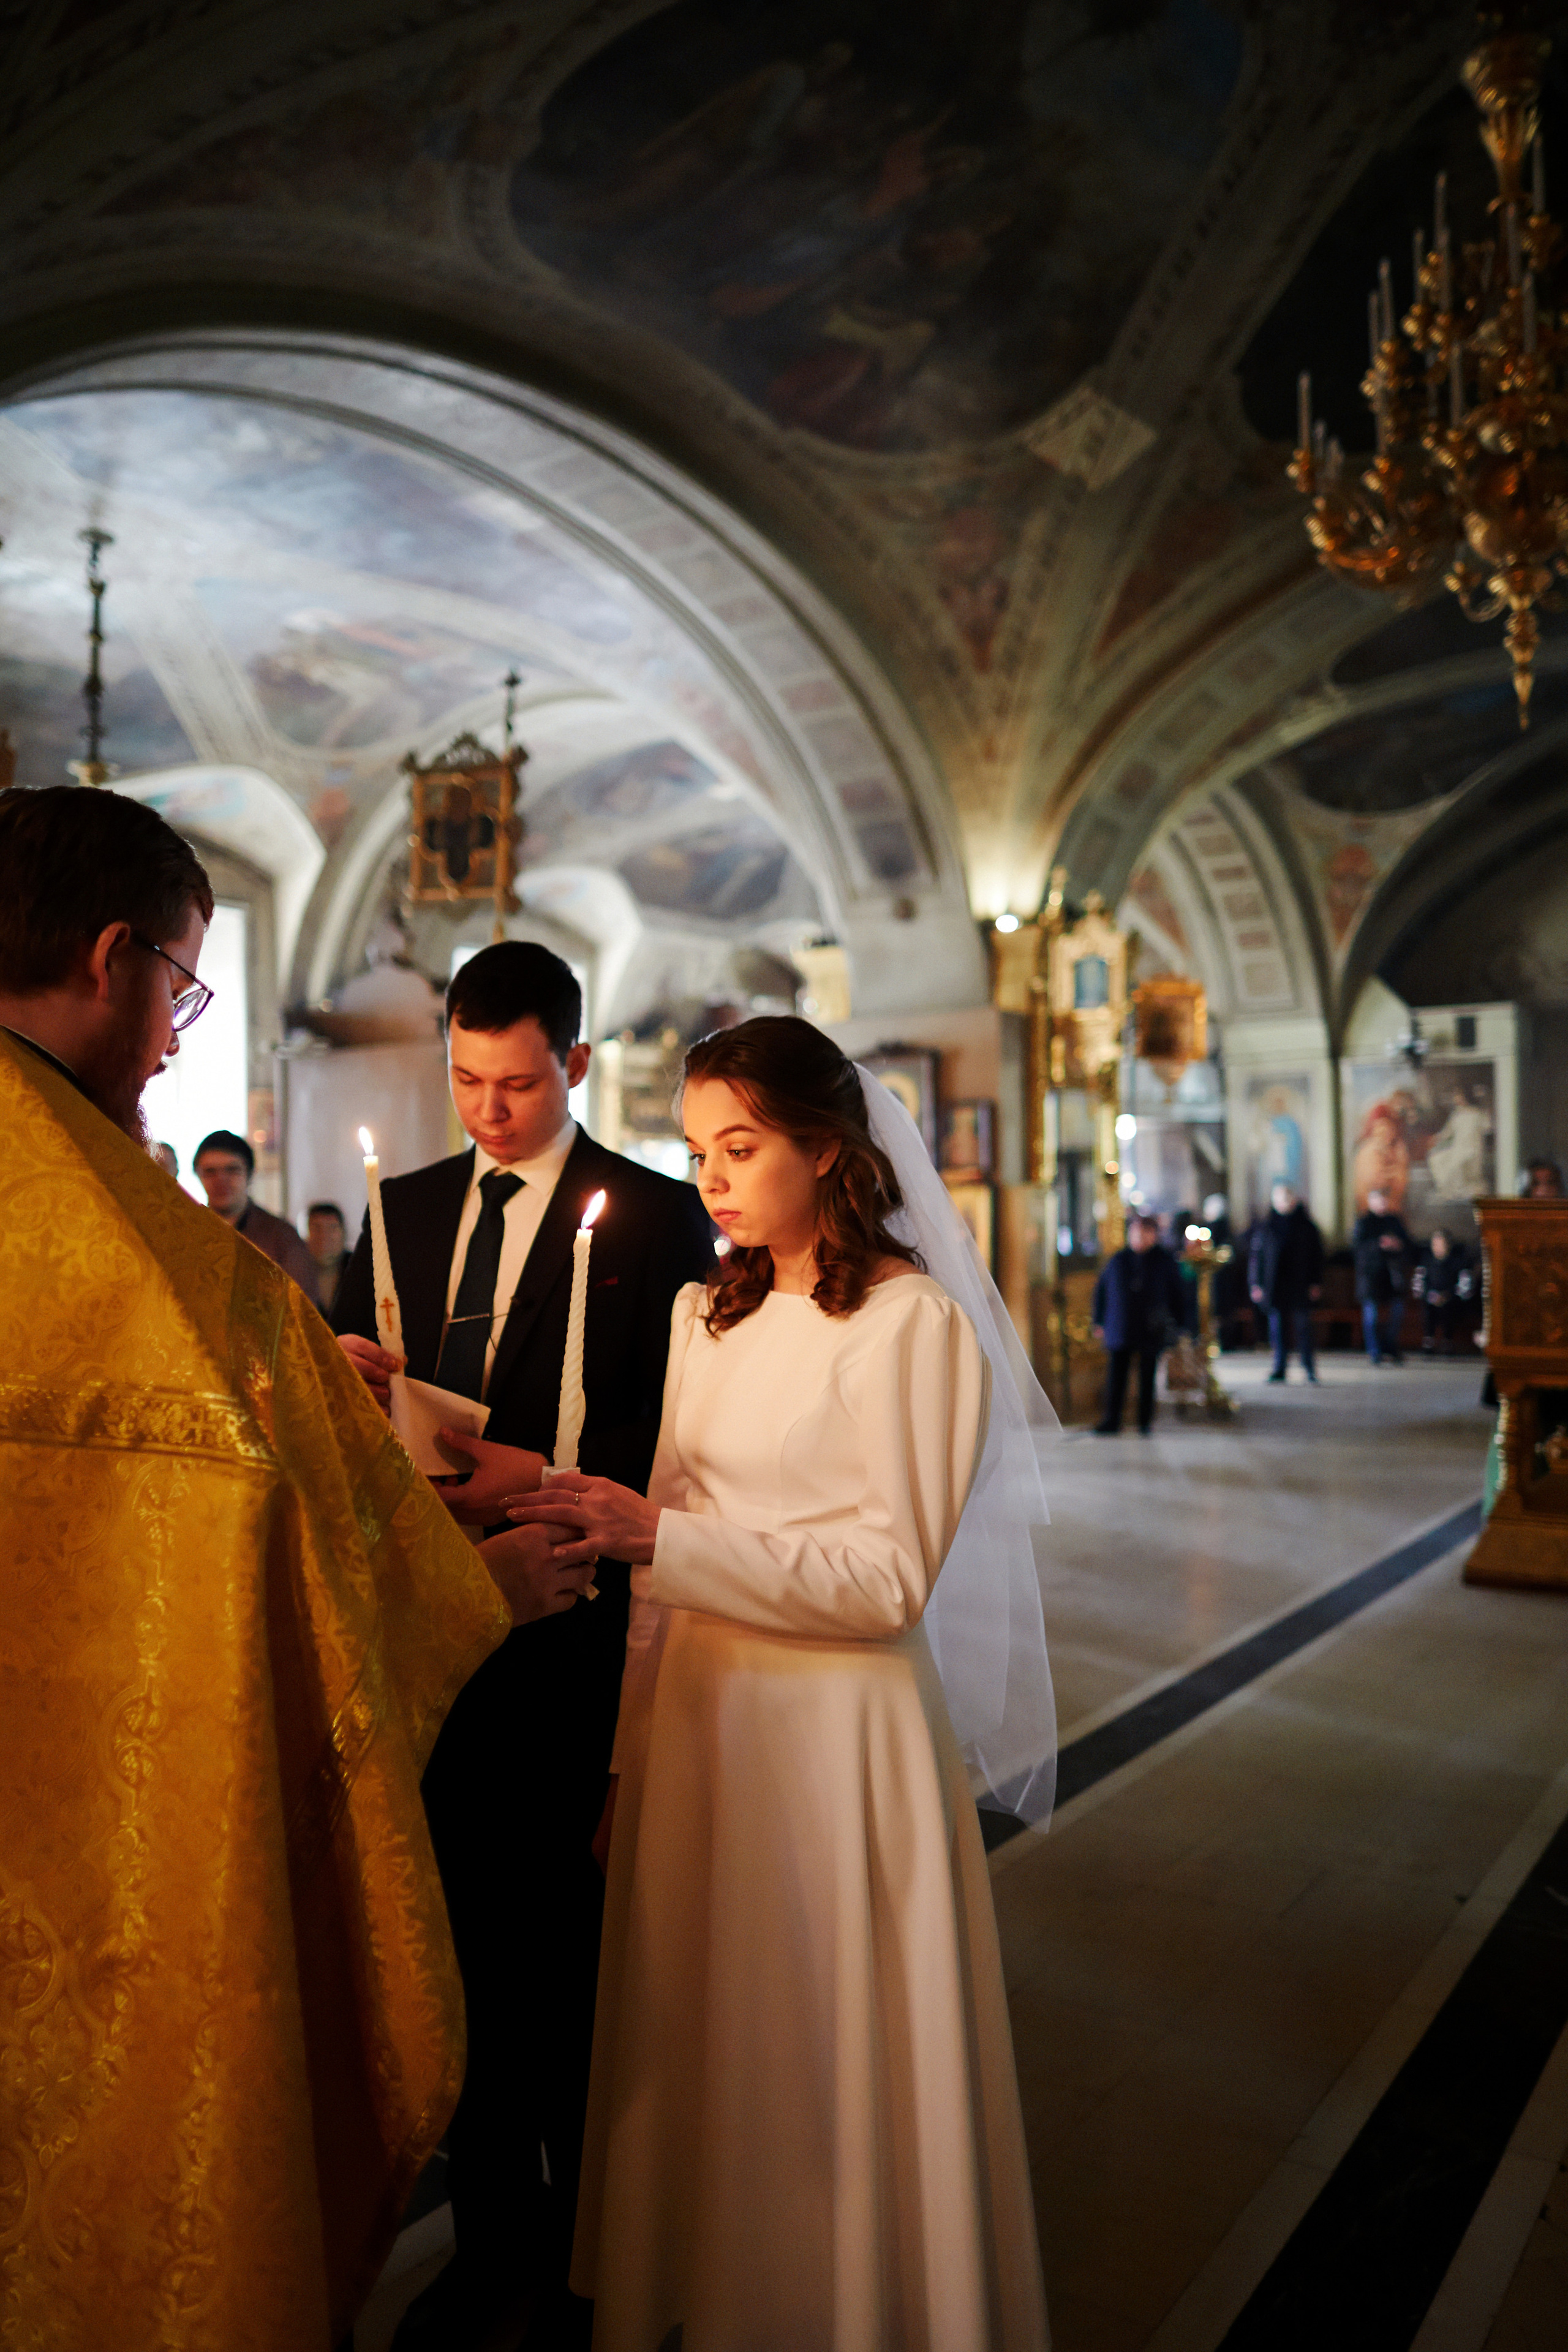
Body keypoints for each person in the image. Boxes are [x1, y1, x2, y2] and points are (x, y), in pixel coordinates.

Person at [0, 784, 563, 2350]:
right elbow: (280, 1570)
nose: (181, 1025)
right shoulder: (192, 1290)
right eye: (182, 984)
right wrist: (485, 1588)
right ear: (114, 959)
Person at [515, 1016, 1053, 2352]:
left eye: (739, 1147)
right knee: (707, 2047)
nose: (708, 1177)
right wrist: (629, 1758)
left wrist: (662, 1537)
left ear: (825, 1146)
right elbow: (662, 1557)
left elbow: (883, 1584)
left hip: (834, 1737)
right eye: (696, 1149)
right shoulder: (711, 1308)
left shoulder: (908, 1322)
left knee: (821, 2046)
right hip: (700, 1717)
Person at [334, 940, 714, 2352]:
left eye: (516, 1081)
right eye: (465, 1079)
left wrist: (537, 1470)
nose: (488, 1110)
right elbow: (355, 1385)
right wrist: (356, 1380)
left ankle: (585, 2251)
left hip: (582, 1640)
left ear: (574, 1060)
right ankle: (487, 2238)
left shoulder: (664, 1219)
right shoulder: (405, 1205)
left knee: (572, 1958)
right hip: (432, 1629)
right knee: (458, 1946)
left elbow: (684, 1436)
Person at [1091, 1210, 1188, 1434]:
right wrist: (1099, 1321)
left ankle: (1145, 1421)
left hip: (1150, 1328)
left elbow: (1178, 1294)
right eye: (1135, 1233)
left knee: (1147, 1376)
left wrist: (1179, 1324)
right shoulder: (1118, 1260)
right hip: (1121, 1326)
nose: (1139, 1238)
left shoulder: (1164, 1261)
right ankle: (1112, 1420)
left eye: (1144, 1233)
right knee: (1117, 1377)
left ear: (1153, 1235)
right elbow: (1102, 1291)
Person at [194, 1125, 318, 1294]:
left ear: (251, 1174)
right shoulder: (189, 1233)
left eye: (232, 1170)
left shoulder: (281, 1238)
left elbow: (303, 1309)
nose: (221, 1180)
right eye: (210, 1172)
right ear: (198, 1175)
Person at [1248, 1180, 1325, 1384]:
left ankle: (1309, 1367)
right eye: (1279, 1198)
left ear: (1294, 1200)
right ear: (1274, 1202)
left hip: (1300, 1284)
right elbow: (1258, 1258)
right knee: (1278, 1329)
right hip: (1275, 1285)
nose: (1283, 1202)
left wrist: (1316, 1282)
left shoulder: (1307, 1227)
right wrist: (1256, 1283)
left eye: (1287, 1198)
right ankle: (1279, 1368)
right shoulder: (1266, 1227)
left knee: (1304, 1328)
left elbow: (1317, 1257)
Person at [1354, 1185, 1411, 1363]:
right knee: (1372, 1316)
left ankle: (1390, 1346)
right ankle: (1375, 1351)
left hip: (1393, 1276)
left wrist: (1397, 1244)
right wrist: (1379, 1245)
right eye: (1378, 1201)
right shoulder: (1363, 1222)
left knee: (1397, 1312)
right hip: (1371, 1276)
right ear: (1371, 1202)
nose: (1382, 1204)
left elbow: (1408, 1243)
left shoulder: (1394, 1221)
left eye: (1384, 1201)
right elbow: (1357, 1249)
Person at [1415, 1226, 1471, 1354]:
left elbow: (1463, 1284)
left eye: (1442, 1245)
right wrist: (1430, 1295)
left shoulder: (1458, 1262)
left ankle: (1448, 1340)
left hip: (1451, 1298)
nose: (1438, 1248)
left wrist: (1448, 1295)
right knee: (1428, 1310)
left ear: (1449, 1246)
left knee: (1450, 1310)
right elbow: (1420, 1282)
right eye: (1436, 1245)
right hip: (1430, 1297)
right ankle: (1429, 1340)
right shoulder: (1427, 1261)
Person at [307, 1196, 352, 1316]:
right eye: (317, 1228)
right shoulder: (296, 1271)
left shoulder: (360, 1269)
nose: (324, 1236)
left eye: (332, 1228)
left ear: (344, 1233)